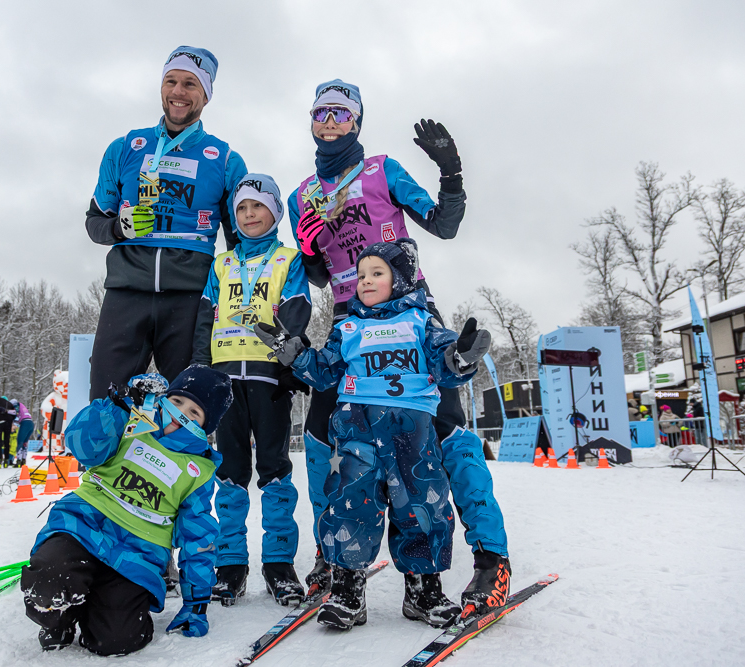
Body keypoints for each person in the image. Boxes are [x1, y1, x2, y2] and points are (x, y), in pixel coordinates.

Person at [288, 80, 509, 602]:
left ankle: (491, 559)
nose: (330, 121)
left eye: (341, 113)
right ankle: (333, 555)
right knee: (322, 434)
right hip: (348, 319)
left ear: (357, 122)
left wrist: (450, 172)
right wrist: (307, 246)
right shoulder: (303, 194)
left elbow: (443, 225)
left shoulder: (381, 169)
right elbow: (319, 272)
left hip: (410, 313)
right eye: (321, 112)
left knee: (449, 432)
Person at [256, 239, 496, 630]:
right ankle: (349, 591)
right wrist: (295, 353)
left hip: (411, 432)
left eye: (376, 273)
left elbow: (445, 365)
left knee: (422, 503)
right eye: (361, 275)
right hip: (355, 432)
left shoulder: (420, 322)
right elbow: (324, 372)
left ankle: (424, 590)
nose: (364, 281)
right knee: (350, 503)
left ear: (400, 279)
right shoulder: (348, 326)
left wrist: (462, 356)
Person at [21, 366, 233, 654]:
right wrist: (118, 406)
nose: (180, 414)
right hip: (83, 525)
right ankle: (60, 619)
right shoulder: (135, 419)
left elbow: (197, 536)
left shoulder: (200, 470)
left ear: (205, 427)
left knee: (118, 639)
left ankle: (96, 607)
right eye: (178, 401)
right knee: (47, 580)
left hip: (137, 555)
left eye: (194, 413)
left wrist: (196, 603)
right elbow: (82, 445)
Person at [84, 46, 247, 401]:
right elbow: (94, 221)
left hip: (189, 296)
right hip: (126, 292)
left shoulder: (225, 159)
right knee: (104, 403)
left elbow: (241, 243)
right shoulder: (126, 147)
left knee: (190, 409)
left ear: (205, 94)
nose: (178, 92)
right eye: (171, 81)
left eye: (190, 84)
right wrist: (118, 229)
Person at [190, 174, 311, 605]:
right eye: (241, 209)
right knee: (230, 471)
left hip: (268, 378)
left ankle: (278, 564)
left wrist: (287, 360)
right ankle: (230, 563)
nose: (249, 215)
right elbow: (205, 316)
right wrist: (201, 370)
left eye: (258, 206)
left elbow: (297, 311)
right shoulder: (221, 265)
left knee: (275, 468)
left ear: (274, 211)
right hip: (224, 380)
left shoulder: (286, 259)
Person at [0, 396, 17, 468]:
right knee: (6, 441)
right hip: (8, 422)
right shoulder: (10, 404)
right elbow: (14, 415)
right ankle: (6, 461)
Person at [12, 400, 34, 468]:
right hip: (31, 423)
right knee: (25, 443)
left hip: (25, 423)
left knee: (20, 441)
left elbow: (16, 417)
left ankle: (19, 460)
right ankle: (23, 460)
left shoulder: (16, 406)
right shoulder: (23, 407)